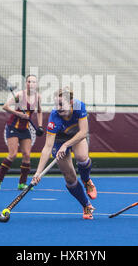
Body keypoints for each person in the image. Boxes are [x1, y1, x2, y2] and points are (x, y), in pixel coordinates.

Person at [31, 87, 97, 220]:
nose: (58, 107)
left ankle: (86, 180)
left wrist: (66, 145)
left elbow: (83, 132)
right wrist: (38, 172)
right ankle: (86, 205)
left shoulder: (79, 106)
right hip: (59, 141)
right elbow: (47, 146)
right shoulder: (54, 117)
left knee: (82, 158)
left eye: (61, 104)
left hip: (77, 136)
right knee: (70, 177)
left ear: (71, 102)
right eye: (56, 104)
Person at [0, 75, 44, 191]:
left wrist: (40, 126)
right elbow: (5, 107)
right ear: (26, 83)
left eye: (34, 82)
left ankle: (22, 183)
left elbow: (40, 111)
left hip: (25, 128)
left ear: (36, 85)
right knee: (13, 154)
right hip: (13, 127)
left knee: (26, 154)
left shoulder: (38, 97)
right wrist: (19, 114)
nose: (31, 84)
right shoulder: (20, 95)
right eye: (29, 81)